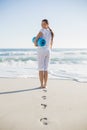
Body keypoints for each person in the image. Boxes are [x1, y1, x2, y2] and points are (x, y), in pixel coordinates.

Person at [34, 19, 54, 88]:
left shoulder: (42, 30)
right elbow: (51, 43)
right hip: (48, 51)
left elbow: (36, 38)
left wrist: (35, 43)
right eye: (41, 24)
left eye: (44, 24)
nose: (42, 25)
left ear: (47, 24)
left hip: (41, 50)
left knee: (40, 68)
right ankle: (45, 85)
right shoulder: (51, 32)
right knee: (46, 68)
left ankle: (41, 85)